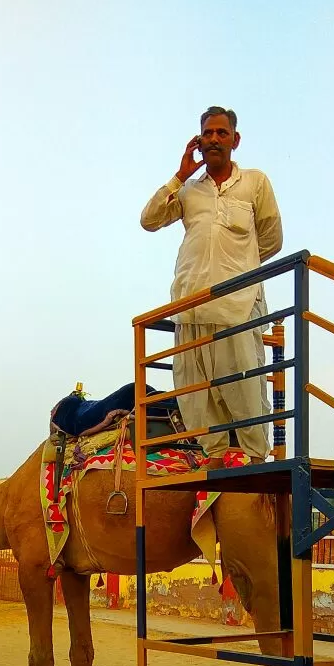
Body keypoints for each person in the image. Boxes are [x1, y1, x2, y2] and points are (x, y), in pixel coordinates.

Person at [140, 106, 282, 466]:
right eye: (208, 133)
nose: (214, 139)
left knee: (245, 389)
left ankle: (256, 463)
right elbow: (149, 220)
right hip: (190, 304)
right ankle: (213, 462)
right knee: (195, 395)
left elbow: (271, 239)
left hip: (236, 305)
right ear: (198, 142)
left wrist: (237, 268)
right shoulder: (188, 191)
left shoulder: (254, 182)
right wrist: (179, 175)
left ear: (235, 140)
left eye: (221, 133)